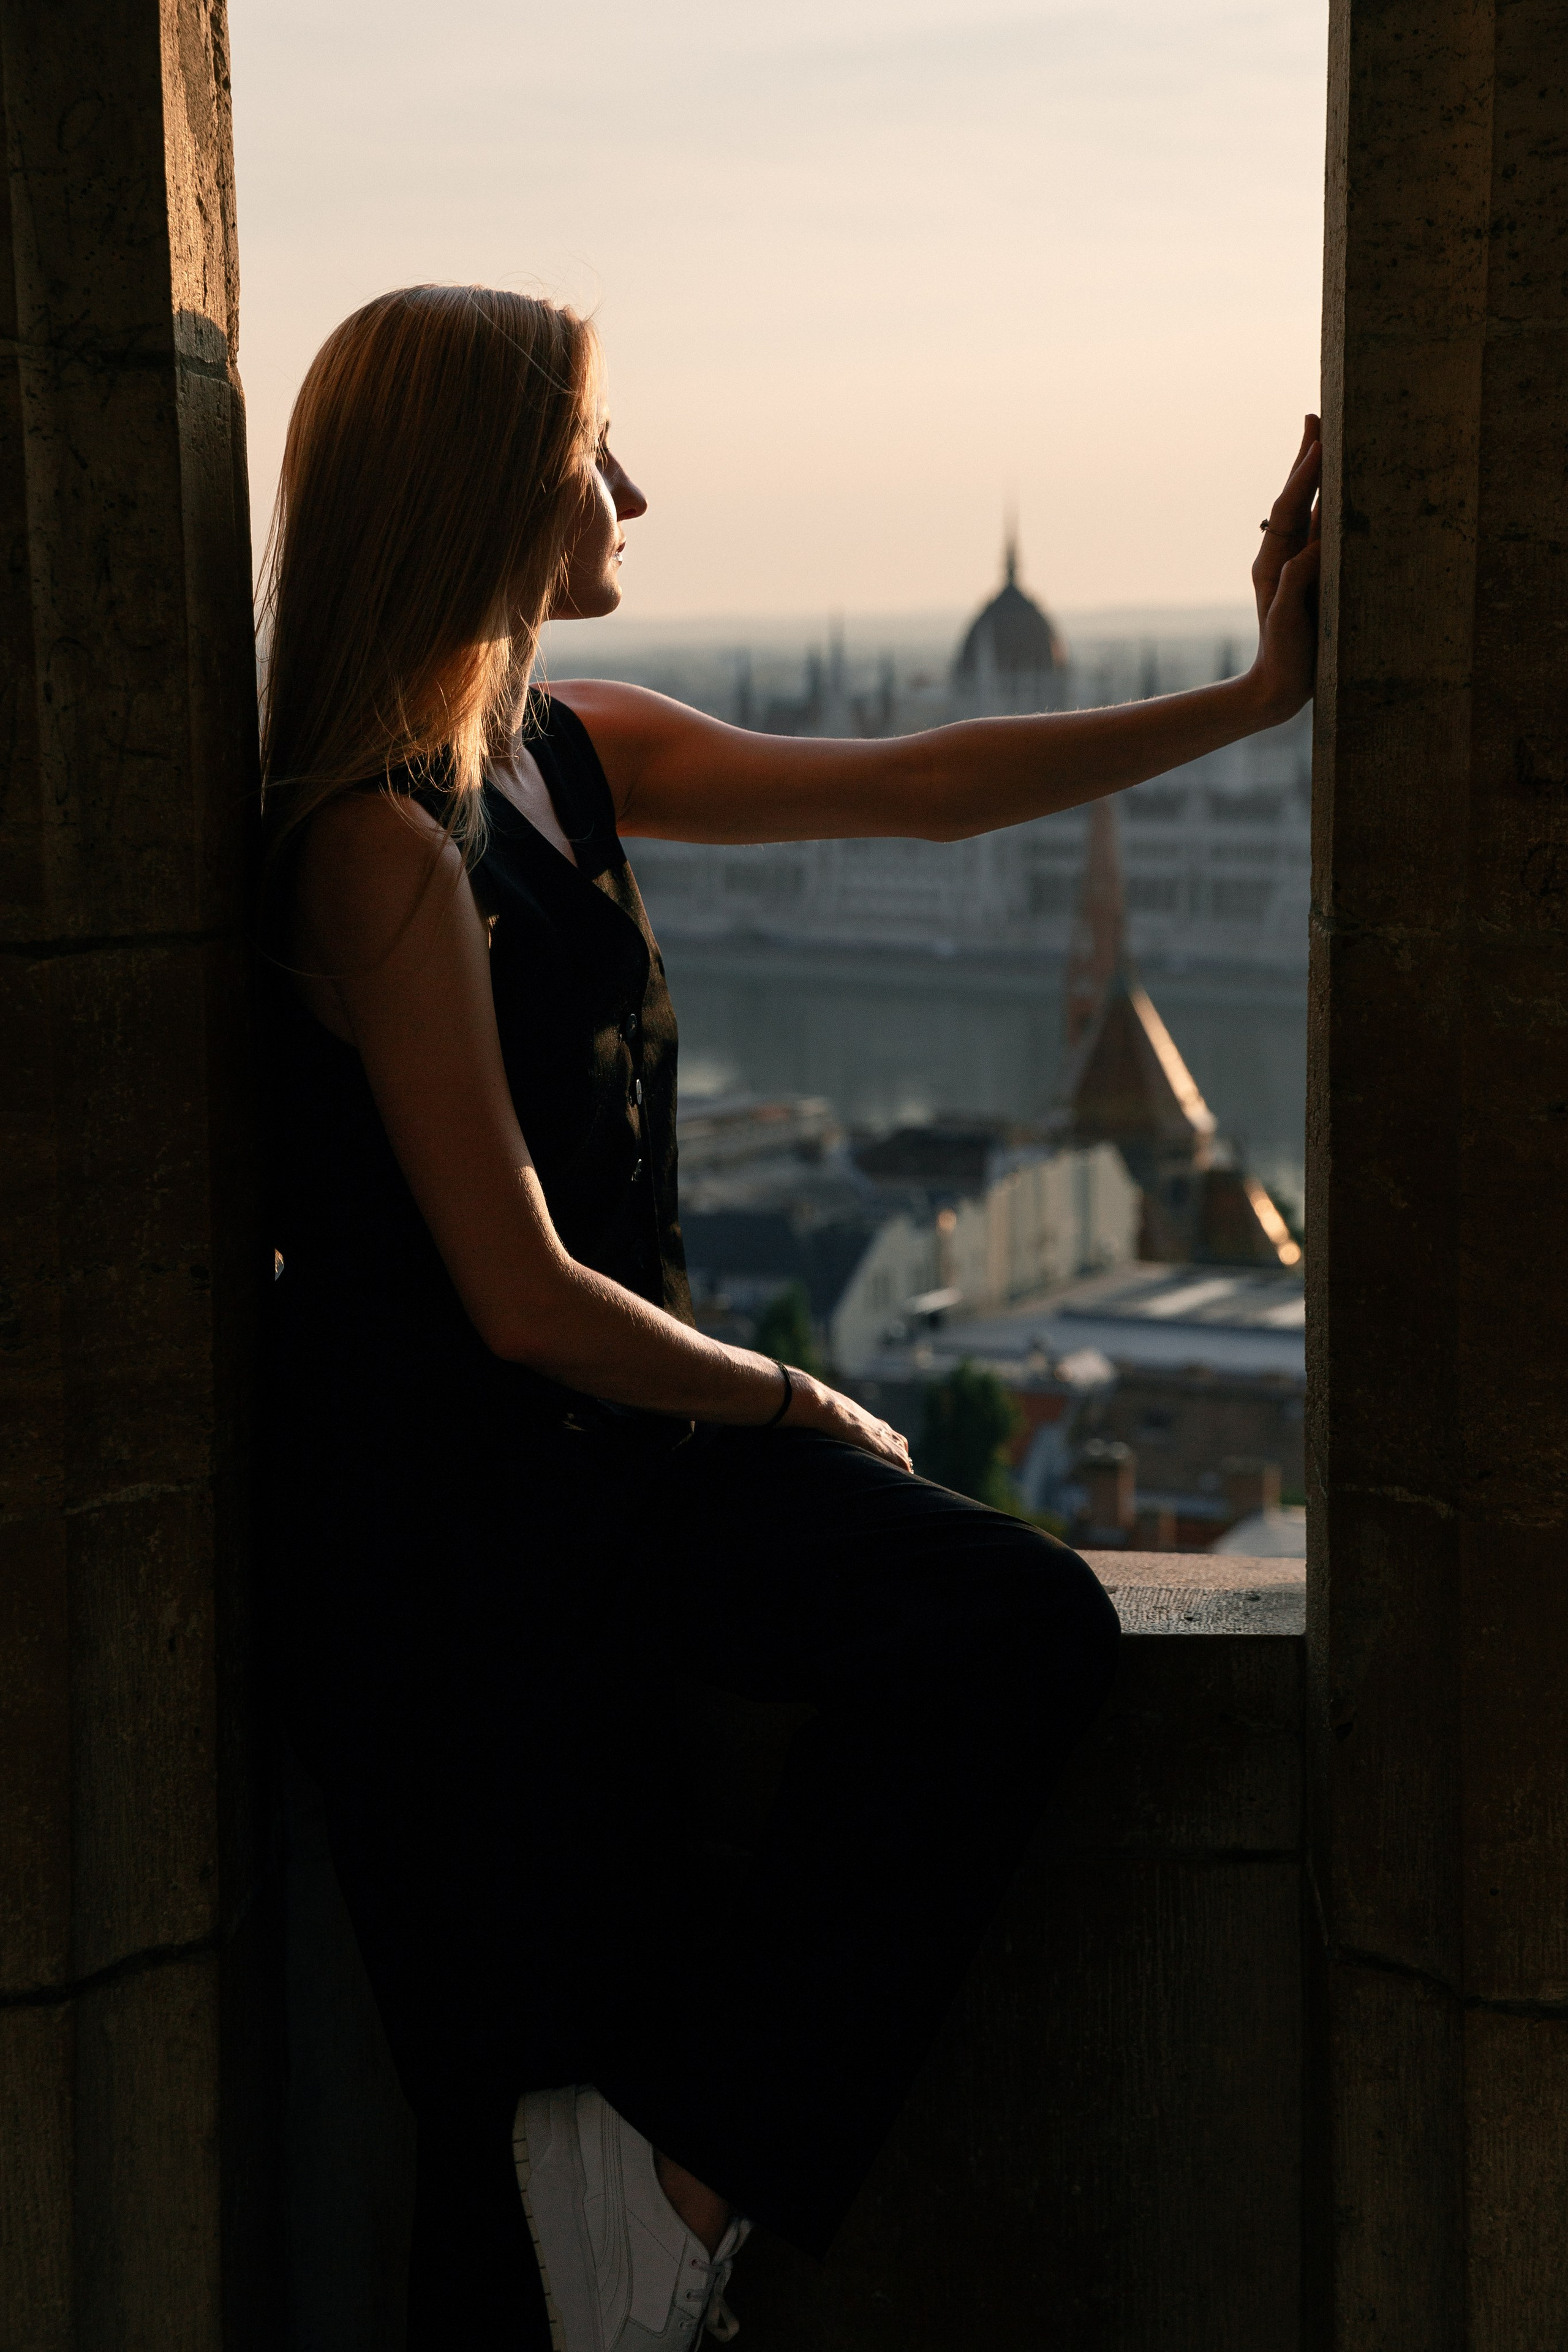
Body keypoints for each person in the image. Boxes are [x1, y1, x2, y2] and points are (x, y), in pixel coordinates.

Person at [260, 284, 1321, 2352]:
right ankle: (659, 2204)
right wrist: (792, 1401)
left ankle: (674, 2193)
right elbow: (519, 1294)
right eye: (592, 450)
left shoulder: (560, 754)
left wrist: (1253, 702)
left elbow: (919, 785)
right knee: (519, 2130)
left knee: (1005, 1634)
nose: (632, 488)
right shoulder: (375, 851)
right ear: (487, 486)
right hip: (464, 1552)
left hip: (592, 1489)